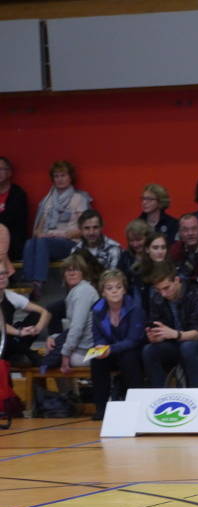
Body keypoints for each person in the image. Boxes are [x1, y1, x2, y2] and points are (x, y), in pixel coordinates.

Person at [22, 161, 92, 298]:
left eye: (63, 175)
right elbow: (37, 230)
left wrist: (58, 234)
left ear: (70, 177)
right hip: (48, 242)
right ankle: (30, 282)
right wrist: (43, 234)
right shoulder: (47, 201)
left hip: (70, 243)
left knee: (42, 242)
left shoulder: (79, 198)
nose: (59, 179)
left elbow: (83, 229)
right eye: (56, 176)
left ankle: (38, 282)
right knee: (31, 242)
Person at [143, 262, 198, 388]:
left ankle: (197, 394)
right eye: (158, 290)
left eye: (166, 288)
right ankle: (159, 396)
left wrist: (175, 334)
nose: (163, 294)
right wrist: (157, 337)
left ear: (177, 280)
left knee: (188, 347)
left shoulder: (196, 293)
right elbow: (159, 327)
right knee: (149, 351)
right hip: (175, 343)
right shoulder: (158, 298)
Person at [89, 269, 145, 420]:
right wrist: (101, 347)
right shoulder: (97, 310)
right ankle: (101, 408)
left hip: (132, 350)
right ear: (103, 292)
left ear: (124, 290)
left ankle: (135, 405)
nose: (114, 291)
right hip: (110, 351)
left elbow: (134, 339)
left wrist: (110, 349)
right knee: (97, 360)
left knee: (129, 358)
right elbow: (98, 335)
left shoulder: (135, 308)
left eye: (118, 287)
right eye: (109, 288)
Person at [43, 254, 99, 374]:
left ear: (83, 272)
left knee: (52, 357)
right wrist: (53, 337)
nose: (72, 273)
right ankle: (68, 392)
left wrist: (65, 354)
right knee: (52, 348)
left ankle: (66, 392)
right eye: (68, 270)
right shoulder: (78, 291)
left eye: (76, 269)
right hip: (83, 348)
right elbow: (72, 329)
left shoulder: (83, 292)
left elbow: (77, 328)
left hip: (89, 352)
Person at [0, 266, 50, 367]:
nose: (2, 277)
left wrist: (36, 329)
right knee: (7, 337)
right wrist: (19, 332)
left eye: (4, 273)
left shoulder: (10, 296)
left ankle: (18, 355)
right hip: (3, 340)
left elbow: (44, 312)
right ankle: (29, 355)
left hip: (10, 340)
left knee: (36, 316)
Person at [0, 156, 28, 263]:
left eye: (1, 169)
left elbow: (16, 224)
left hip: (12, 244)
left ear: (10, 172)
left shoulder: (18, 194)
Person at [118, 219, 153, 286]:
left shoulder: (154, 255)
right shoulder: (125, 256)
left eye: (138, 240)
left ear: (147, 237)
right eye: (131, 240)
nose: (135, 244)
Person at [169, 214, 198, 280]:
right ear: (179, 233)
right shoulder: (174, 250)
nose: (190, 233)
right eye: (185, 230)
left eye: (194, 228)